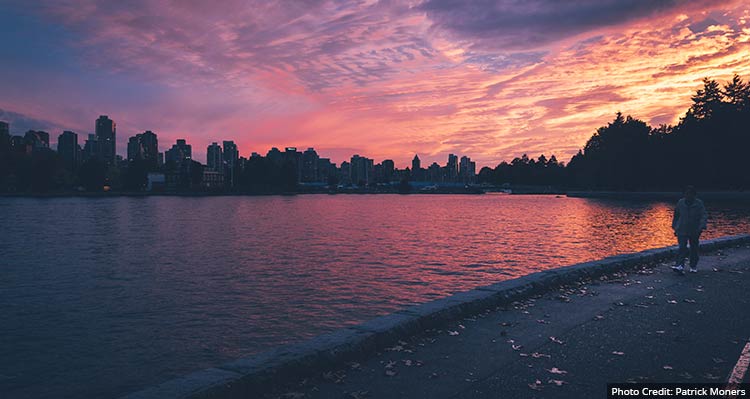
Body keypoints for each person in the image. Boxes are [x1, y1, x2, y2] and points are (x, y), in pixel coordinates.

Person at [671, 186, 708, 274]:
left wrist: (702, 225)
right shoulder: (680, 202)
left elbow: (703, 215)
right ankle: (679, 265)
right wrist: (675, 226)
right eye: (686, 193)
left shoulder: (699, 203)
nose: (688, 195)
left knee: (694, 248)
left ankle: (693, 265)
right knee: (682, 247)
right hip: (682, 229)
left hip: (695, 229)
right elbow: (676, 215)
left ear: (694, 195)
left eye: (690, 194)